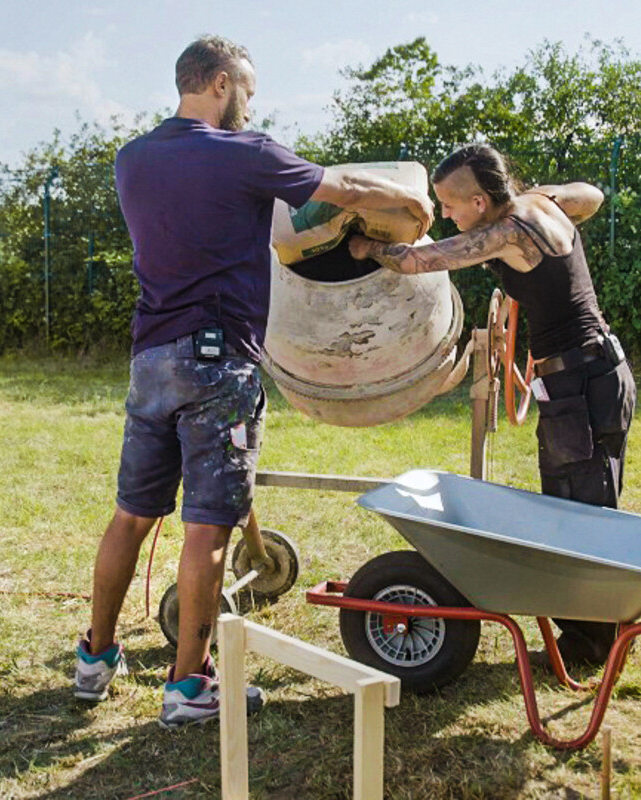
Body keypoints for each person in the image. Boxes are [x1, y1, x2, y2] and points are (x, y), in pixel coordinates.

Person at [73, 34, 434, 727]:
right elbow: (345, 190)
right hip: (218, 365)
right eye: (245, 87)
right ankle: (188, 689)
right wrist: (410, 205)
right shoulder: (245, 153)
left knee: (132, 513)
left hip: (151, 358)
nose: (249, 101)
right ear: (216, 82)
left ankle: (95, 656)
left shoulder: (131, 159)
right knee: (207, 530)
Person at [349, 143, 636, 668]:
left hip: (577, 384)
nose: (447, 216)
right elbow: (592, 195)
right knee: (595, 504)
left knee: (577, 514)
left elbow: (419, 261)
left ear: (480, 201)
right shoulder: (541, 205)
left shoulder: (508, 232)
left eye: (451, 206)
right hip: (602, 374)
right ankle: (609, 630)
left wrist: (366, 247)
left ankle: (589, 645)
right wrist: (548, 194)